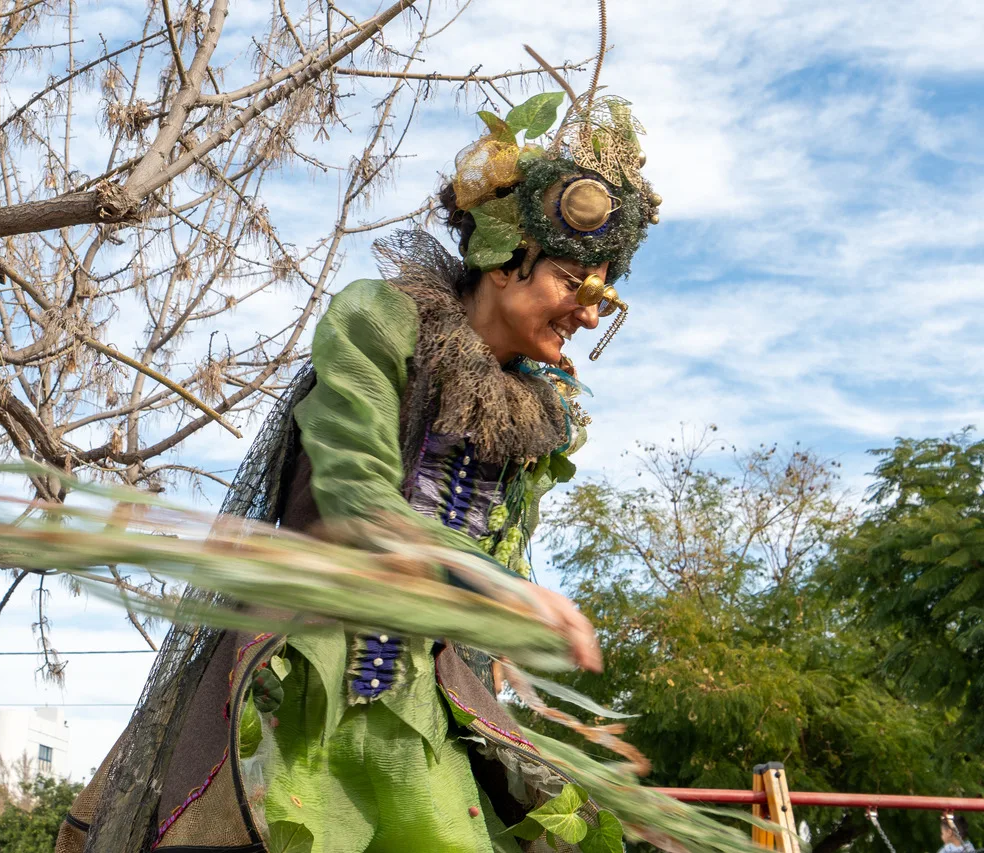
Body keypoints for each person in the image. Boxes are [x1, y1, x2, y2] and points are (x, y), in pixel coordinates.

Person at [58, 82, 664, 853]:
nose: (590, 312)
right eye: (575, 283)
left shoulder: (536, 415)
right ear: (504, 259)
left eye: (605, 297)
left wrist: (506, 623)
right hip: (306, 671)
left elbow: (497, 563)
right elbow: (358, 499)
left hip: (428, 703)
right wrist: (504, 589)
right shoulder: (378, 320)